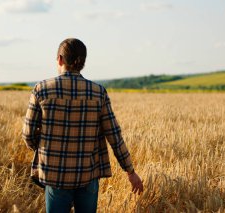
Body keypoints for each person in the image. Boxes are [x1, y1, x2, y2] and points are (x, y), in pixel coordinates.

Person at [22, 38, 143, 213]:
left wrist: (44, 149)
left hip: (55, 175)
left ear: (60, 59)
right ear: (83, 63)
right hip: (88, 175)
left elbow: (27, 134)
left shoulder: (42, 89)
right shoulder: (98, 92)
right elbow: (114, 136)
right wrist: (130, 171)